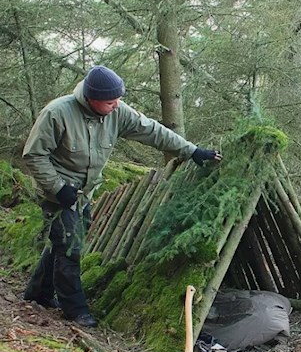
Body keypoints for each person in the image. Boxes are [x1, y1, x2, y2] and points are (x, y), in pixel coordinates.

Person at [22, 65, 222, 327]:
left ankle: (38, 293)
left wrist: (191, 151)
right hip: (57, 192)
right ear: (91, 99)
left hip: (84, 193)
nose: (116, 105)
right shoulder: (57, 113)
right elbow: (34, 156)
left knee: (63, 241)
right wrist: (58, 188)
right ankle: (75, 310)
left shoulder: (116, 112)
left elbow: (152, 130)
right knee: (71, 248)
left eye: (118, 100)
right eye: (110, 101)